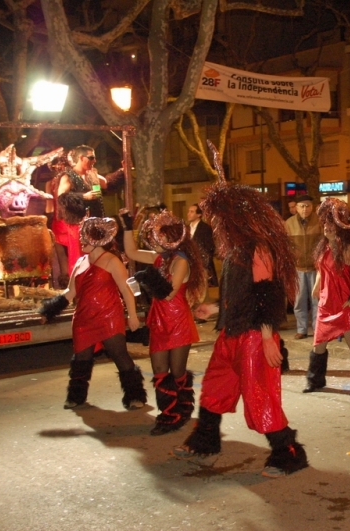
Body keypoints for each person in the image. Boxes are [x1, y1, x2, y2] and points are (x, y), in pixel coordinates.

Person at [174, 151, 307, 479]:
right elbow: (244, 293)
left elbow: (268, 294)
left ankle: (287, 453)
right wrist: (217, 308)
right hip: (231, 332)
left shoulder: (259, 248)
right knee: (216, 388)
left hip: (253, 336)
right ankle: (206, 440)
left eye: (219, 218)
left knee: (259, 397)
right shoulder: (235, 250)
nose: (215, 223)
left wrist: (267, 338)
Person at [39, 217, 147, 411]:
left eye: (85, 239)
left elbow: (126, 290)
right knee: (81, 359)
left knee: (120, 356)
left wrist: (132, 316)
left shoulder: (112, 260)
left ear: (97, 239)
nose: (81, 243)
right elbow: (70, 293)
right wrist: (49, 310)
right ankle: (76, 397)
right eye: (81, 238)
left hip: (109, 317)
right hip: (83, 319)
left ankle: (135, 396)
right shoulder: (80, 262)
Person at [120, 209, 207, 435]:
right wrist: (128, 226)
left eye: (159, 237)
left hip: (177, 320)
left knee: (177, 371)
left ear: (171, 240)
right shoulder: (158, 258)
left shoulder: (181, 262)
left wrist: (146, 278)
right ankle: (169, 414)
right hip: (159, 319)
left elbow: (168, 293)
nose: (154, 241)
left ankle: (183, 408)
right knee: (159, 368)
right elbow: (130, 251)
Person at [303, 198, 350, 401]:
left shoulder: (347, 248)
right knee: (318, 344)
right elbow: (321, 268)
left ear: (339, 228)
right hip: (326, 304)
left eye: (331, 226)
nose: (327, 229)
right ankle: (315, 380)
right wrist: (318, 285)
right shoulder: (323, 248)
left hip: (344, 304)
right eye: (325, 226)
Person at [53, 146, 118, 288]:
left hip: (94, 223)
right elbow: (61, 196)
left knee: (98, 254)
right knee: (80, 255)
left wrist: (123, 171)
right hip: (78, 224)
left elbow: (107, 183)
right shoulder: (68, 176)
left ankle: (97, 285)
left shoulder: (91, 175)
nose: (94, 161)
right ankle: (80, 287)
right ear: (81, 158)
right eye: (91, 157)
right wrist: (84, 196)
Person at [285, 194, 322, 339]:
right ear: (297, 208)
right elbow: (286, 246)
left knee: (316, 300)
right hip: (298, 268)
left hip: (315, 268)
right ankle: (301, 329)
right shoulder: (289, 223)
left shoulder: (319, 222)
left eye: (308, 206)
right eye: (302, 206)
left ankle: (317, 328)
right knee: (299, 301)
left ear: (312, 207)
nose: (305, 209)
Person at [187, 204, 218, 289]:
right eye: (188, 211)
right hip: (188, 267)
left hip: (203, 267)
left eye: (191, 212)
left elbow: (210, 248)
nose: (188, 214)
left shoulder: (205, 228)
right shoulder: (186, 228)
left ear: (199, 215)